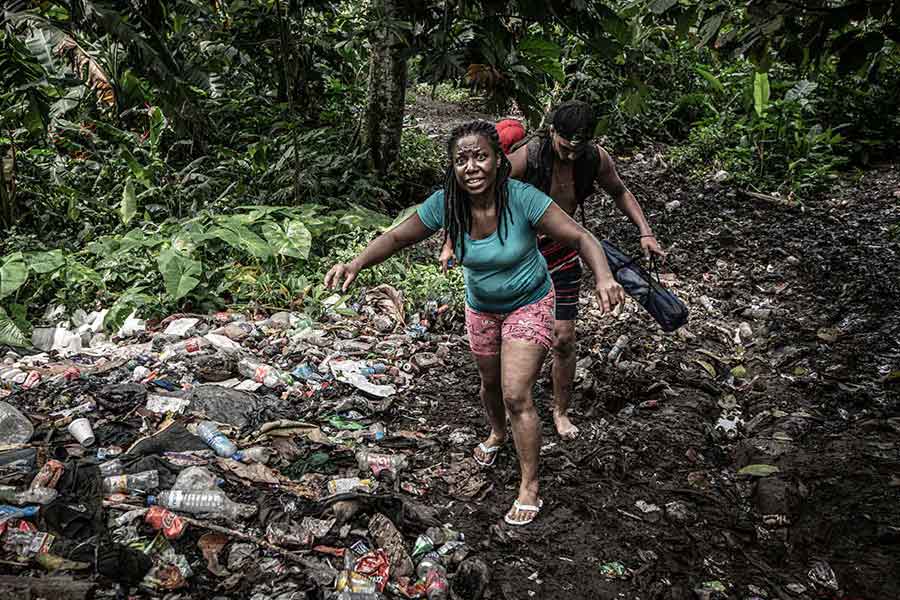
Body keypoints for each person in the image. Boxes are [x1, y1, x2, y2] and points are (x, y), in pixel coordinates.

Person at [325, 121, 624, 526]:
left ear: (499, 160)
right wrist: (356, 263)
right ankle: (498, 433)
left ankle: (529, 486)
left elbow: (581, 238)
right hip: (481, 307)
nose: (471, 167)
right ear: (453, 167)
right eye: (461, 160)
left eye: (480, 156)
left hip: (529, 302)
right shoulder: (447, 203)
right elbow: (397, 238)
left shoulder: (522, 198)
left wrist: (604, 277)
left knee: (516, 393)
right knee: (489, 383)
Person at [440, 101, 665, 440]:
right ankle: (506, 412)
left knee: (564, 338)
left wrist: (645, 232)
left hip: (561, 255)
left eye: (579, 148)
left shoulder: (595, 159)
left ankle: (561, 411)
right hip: (519, 257)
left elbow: (620, 191)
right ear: (552, 132)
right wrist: (450, 242)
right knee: (505, 346)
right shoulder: (527, 158)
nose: (571, 155)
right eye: (565, 146)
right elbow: (472, 195)